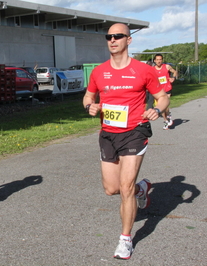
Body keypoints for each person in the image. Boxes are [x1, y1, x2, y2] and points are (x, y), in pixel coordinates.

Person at [83, 23, 170, 260]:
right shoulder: (99, 71)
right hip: (108, 134)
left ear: (128, 40)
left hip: (135, 131)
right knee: (112, 189)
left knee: (126, 188)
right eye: (109, 36)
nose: (112, 40)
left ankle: (125, 239)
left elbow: (162, 97)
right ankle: (143, 188)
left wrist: (155, 109)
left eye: (118, 36)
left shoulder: (143, 70)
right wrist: (90, 106)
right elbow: (89, 95)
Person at [153, 54, 178, 129]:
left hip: (167, 88)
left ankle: (168, 116)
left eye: (160, 59)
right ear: (154, 61)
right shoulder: (152, 69)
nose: (159, 61)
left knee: (165, 105)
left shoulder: (166, 66)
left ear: (162, 60)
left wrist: (173, 78)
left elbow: (175, 72)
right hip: (159, 90)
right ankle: (166, 119)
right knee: (162, 107)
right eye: (157, 60)